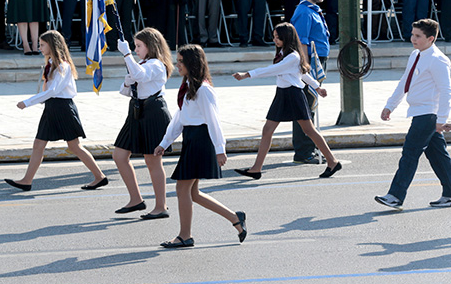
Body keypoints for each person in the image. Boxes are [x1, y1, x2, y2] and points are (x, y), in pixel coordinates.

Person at [154, 44, 247, 248]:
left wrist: (220, 149)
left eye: (180, 61)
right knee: (192, 192)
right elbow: (180, 118)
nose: (177, 65)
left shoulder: (204, 90)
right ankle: (235, 218)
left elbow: (213, 121)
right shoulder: (188, 87)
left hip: (201, 139)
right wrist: (164, 142)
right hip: (191, 138)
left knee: (182, 187)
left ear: (192, 63)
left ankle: (185, 236)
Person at [232, 23, 342, 179]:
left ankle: (332, 161)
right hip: (282, 94)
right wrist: (317, 87)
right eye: (274, 37)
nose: (275, 40)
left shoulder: (293, 56)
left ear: (287, 37)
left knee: (309, 130)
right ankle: (256, 169)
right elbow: (302, 73)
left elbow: (274, 70)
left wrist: (247, 74)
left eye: (278, 37)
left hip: (293, 95)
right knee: (267, 130)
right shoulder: (285, 53)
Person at [4, 30, 108, 191]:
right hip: (52, 107)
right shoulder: (51, 65)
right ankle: (27, 180)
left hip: (63, 108)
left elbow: (54, 91)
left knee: (74, 146)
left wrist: (28, 102)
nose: (40, 48)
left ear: (52, 45)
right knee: (38, 144)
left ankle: (99, 176)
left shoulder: (63, 66)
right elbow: (49, 91)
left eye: (42, 45)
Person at [375, 18, 451, 210]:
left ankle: (395, 196)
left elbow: (446, 91)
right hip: (420, 112)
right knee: (438, 156)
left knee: (409, 153)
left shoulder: (438, 60)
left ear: (431, 38)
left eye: (418, 36)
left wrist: (441, 120)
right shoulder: (416, 55)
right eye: (412, 34)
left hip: (428, 114)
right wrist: (390, 105)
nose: (413, 39)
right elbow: (404, 82)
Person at [113, 29, 173, 219]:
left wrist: (126, 54)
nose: (136, 49)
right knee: (119, 154)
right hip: (136, 111)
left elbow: (142, 76)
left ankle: (161, 205)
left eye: (139, 46)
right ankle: (135, 199)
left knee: (152, 160)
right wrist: (127, 81)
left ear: (151, 46)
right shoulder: (142, 64)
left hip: (153, 112)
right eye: (135, 46)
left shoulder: (157, 64)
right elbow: (126, 91)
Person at [290, 0, 331, 164]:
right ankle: (304, 151)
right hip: (311, 62)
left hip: (318, 60)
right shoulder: (304, 12)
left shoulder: (313, 10)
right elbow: (301, 42)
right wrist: (305, 68)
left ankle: (308, 148)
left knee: (310, 105)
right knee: (306, 107)